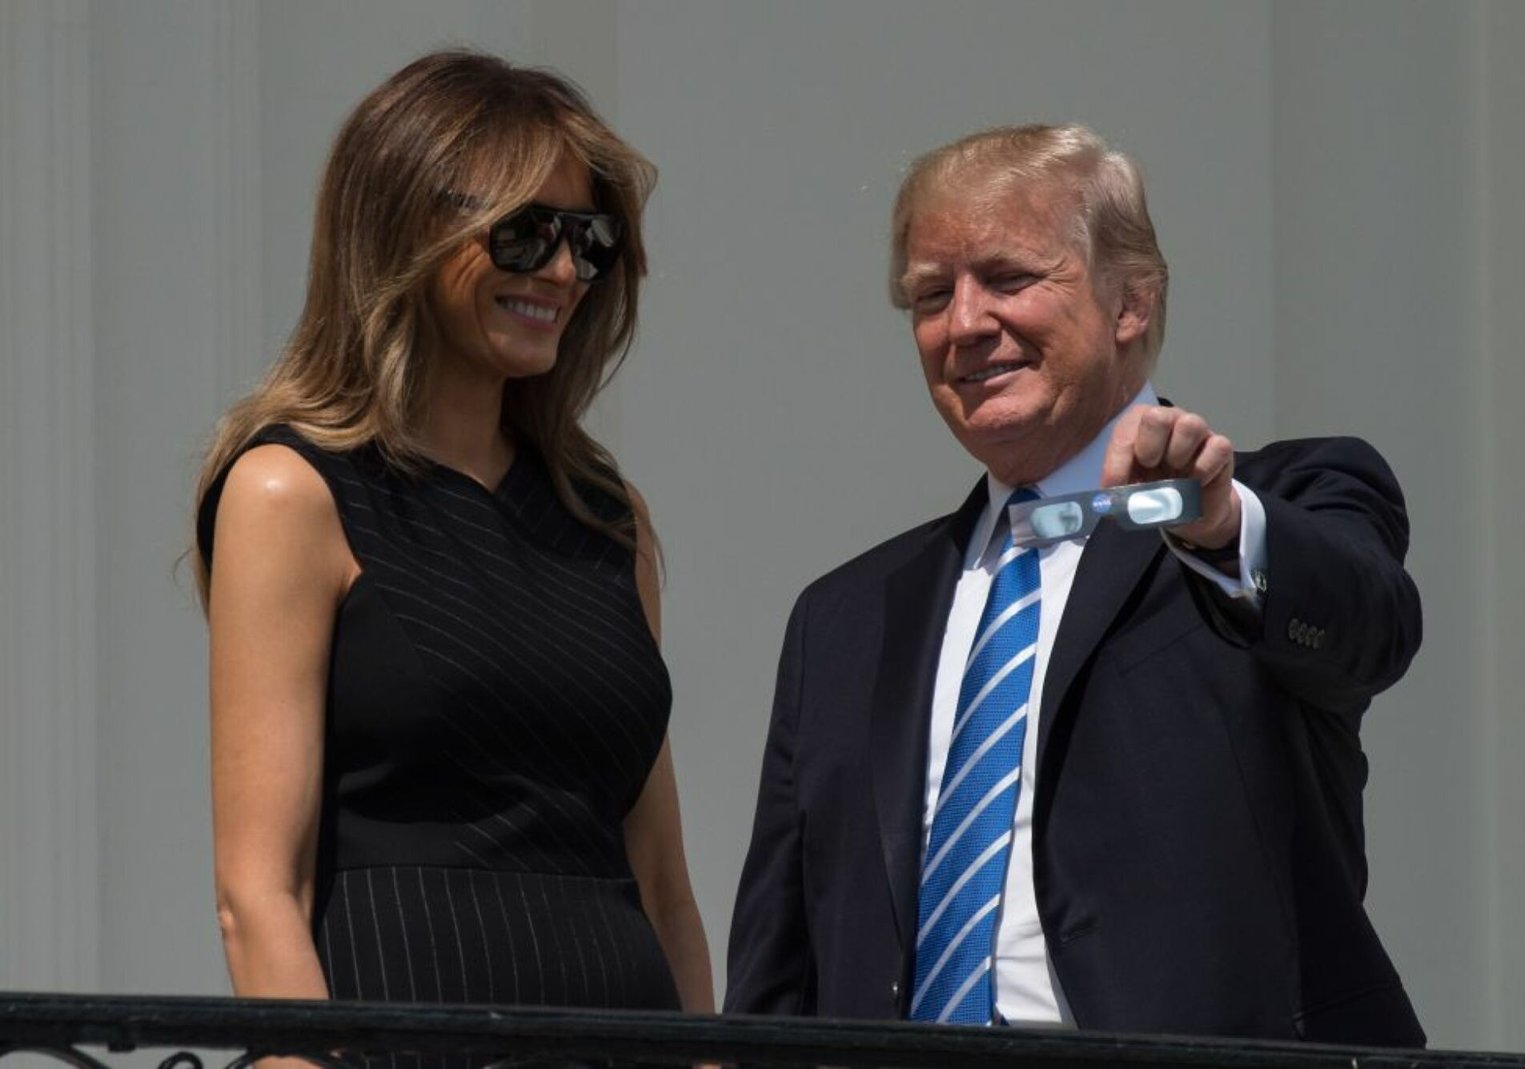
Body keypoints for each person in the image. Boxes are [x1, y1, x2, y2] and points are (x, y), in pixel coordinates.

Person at [725, 123, 1425, 1046]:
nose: (965, 323)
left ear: (1131, 301)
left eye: (1009, 279)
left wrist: (1216, 525)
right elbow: (779, 968)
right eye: (932, 295)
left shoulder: (1281, 502)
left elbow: (1368, 629)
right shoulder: (846, 616)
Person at [194, 50, 712, 1027]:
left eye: (587, 239)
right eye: (522, 234)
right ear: (404, 231)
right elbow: (257, 887)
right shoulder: (289, 491)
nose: (561, 271)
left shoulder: (607, 517)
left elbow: (661, 880)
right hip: (402, 1040)